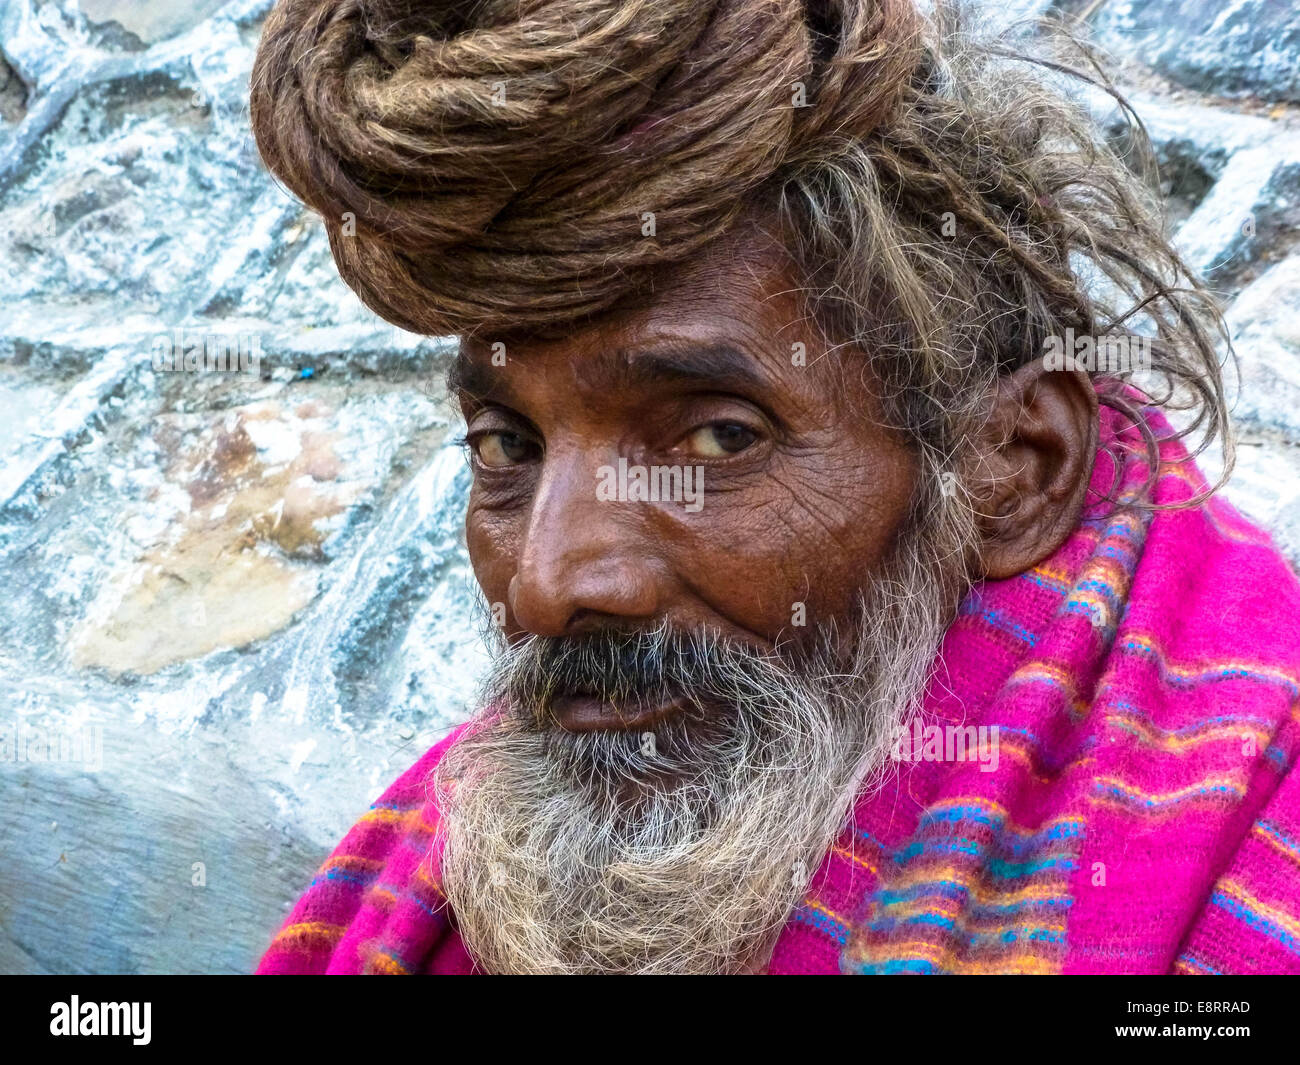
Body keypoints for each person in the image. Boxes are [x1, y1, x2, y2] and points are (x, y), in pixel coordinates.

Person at [247, 0, 1300, 974]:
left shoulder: (1253, 855)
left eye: (715, 438)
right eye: (506, 448)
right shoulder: (429, 864)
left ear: (1013, 470)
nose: (547, 583)